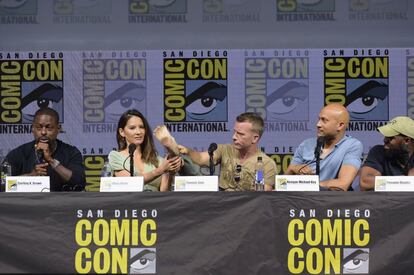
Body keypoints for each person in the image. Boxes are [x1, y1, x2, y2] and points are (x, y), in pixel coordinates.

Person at [178, 112, 276, 191]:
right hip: (223, 209)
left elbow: (263, 197)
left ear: (255, 138)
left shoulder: (267, 164)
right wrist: (188, 151)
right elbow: (201, 158)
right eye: (234, 132)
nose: (234, 137)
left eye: (240, 134)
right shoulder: (225, 150)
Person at [285, 103, 363, 191]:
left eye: (324, 120)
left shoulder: (352, 145)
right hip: (301, 201)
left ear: (340, 125)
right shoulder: (306, 144)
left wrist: (307, 184)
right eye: (319, 119)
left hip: (332, 202)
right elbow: (283, 184)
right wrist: (293, 168)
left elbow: (342, 184)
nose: (318, 124)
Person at [5, 107, 86, 191]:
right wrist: (31, 176)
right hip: (28, 203)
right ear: (33, 129)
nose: (43, 132)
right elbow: (4, 184)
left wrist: (51, 161)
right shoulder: (18, 153)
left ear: (58, 129)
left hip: (61, 203)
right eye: (39, 128)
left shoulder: (71, 152)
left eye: (49, 128)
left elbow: (79, 182)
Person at [108, 109, 182, 191]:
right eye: (132, 128)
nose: (138, 132)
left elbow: (164, 192)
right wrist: (160, 170)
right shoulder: (116, 156)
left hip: (154, 202)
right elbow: (128, 184)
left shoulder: (158, 161)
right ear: (122, 132)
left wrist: (170, 174)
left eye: (141, 127)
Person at [360, 116, 414, 191]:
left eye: (391, 137)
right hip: (384, 202)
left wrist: (382, 182)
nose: (384, 140)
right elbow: (365, 182)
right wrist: (405, 181)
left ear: (407, 140)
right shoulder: (378, 151)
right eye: (385, 136)